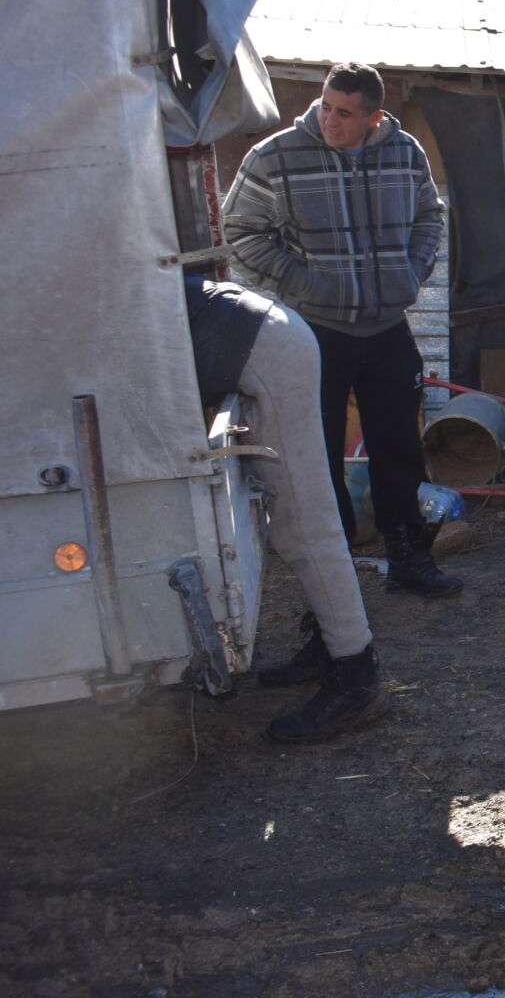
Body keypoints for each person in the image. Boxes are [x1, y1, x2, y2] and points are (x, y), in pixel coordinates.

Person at [222, 62, 461, 597]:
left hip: (387, 326)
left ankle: (408, 560)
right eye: (326, 106)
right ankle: (334, 576)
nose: (330, 120)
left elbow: (430, 216)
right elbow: (239, 230)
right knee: (316, 454)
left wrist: (411, 271)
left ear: (374, 117)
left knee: (399, 450)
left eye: (346, 113)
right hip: (315, 330)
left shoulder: (405, 152)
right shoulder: (276, 156)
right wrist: (301, 281)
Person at [184, 274, 389, 742]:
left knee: (307, 524)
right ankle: (328, 646)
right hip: (260, 334)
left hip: (267, 347)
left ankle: (358, 679)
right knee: (297, 522)